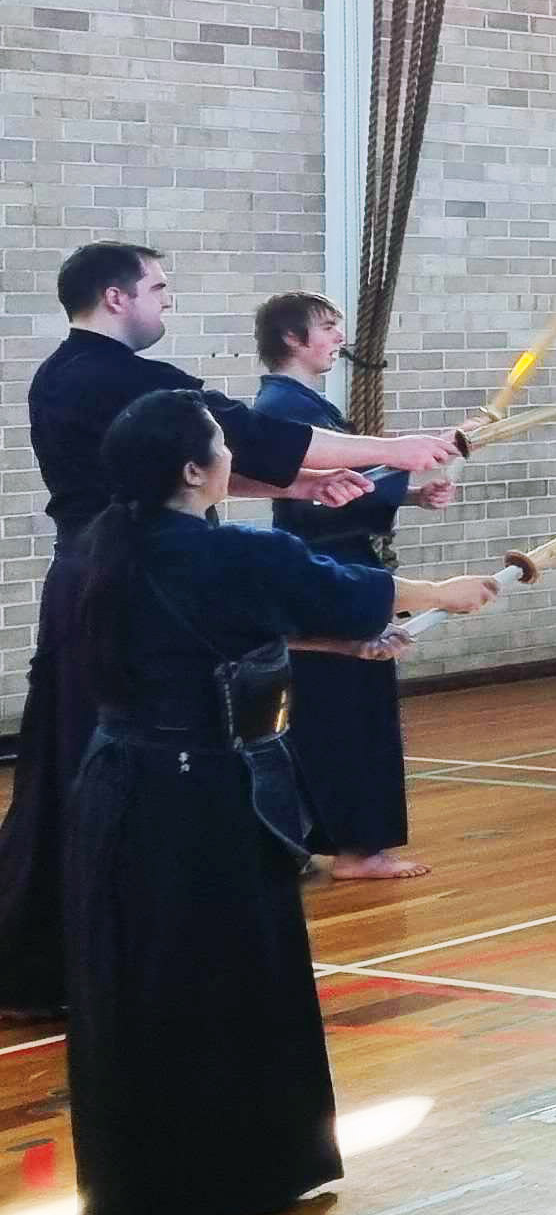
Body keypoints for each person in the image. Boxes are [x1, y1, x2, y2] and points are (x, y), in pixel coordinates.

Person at [61, 389, 498, 1214]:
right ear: (195, 471)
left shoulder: (107, 545)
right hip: (202, 804)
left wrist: (340, 643)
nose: (233, 453)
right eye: (222, 443)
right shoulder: (228, 553)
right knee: (225, 981)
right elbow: (336, 586)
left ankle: (145, 1179)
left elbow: (217, 625)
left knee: (143, 984)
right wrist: (445, 591)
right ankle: (233, 1177)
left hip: (119, 793)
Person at [0, 242, 459, 1019]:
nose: (167, 299)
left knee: (70, 770)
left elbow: (196, 464)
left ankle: (56, 965)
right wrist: (397, 450)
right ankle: (101, 965)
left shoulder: (64, 375)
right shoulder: (121, 379)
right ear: (115, 297)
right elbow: (242, 433)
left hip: (94, 577)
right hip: (128, 582)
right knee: (117, 776)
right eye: (157, 287)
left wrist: (306, 485)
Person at [249, 292, 463, 880]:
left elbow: (343, 485)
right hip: (324, 568)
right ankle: (356, 848)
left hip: (335, 561)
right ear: (292, 338)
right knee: (346, 709)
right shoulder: (282, 408)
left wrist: (410, 494)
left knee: (348, 702)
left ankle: (341, 842)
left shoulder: (306, 404)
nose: (338, 337)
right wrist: (408, 465)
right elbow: (312, 498)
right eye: (326, 327)